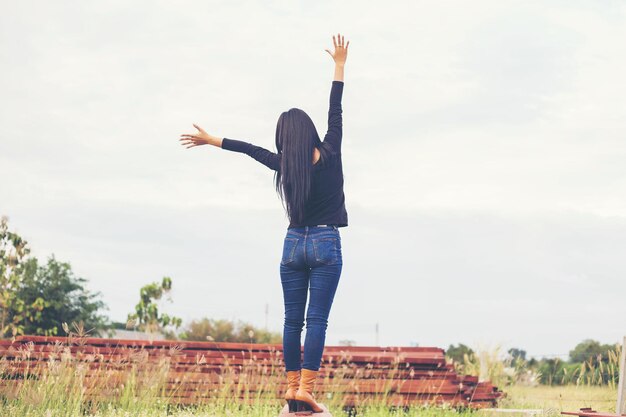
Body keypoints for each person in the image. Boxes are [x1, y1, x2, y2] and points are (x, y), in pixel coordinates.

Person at [179, 33, 350, 413]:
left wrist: (211, 140)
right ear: (310, 132)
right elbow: (335, 109)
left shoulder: (283, 165)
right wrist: (339, 65)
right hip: (325, 243)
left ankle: (291, 389)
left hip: (292, 245)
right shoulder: (332, 149)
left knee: (292, 321)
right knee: (316, 320)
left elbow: (250, 149)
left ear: (284, 139)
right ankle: (305, 388)